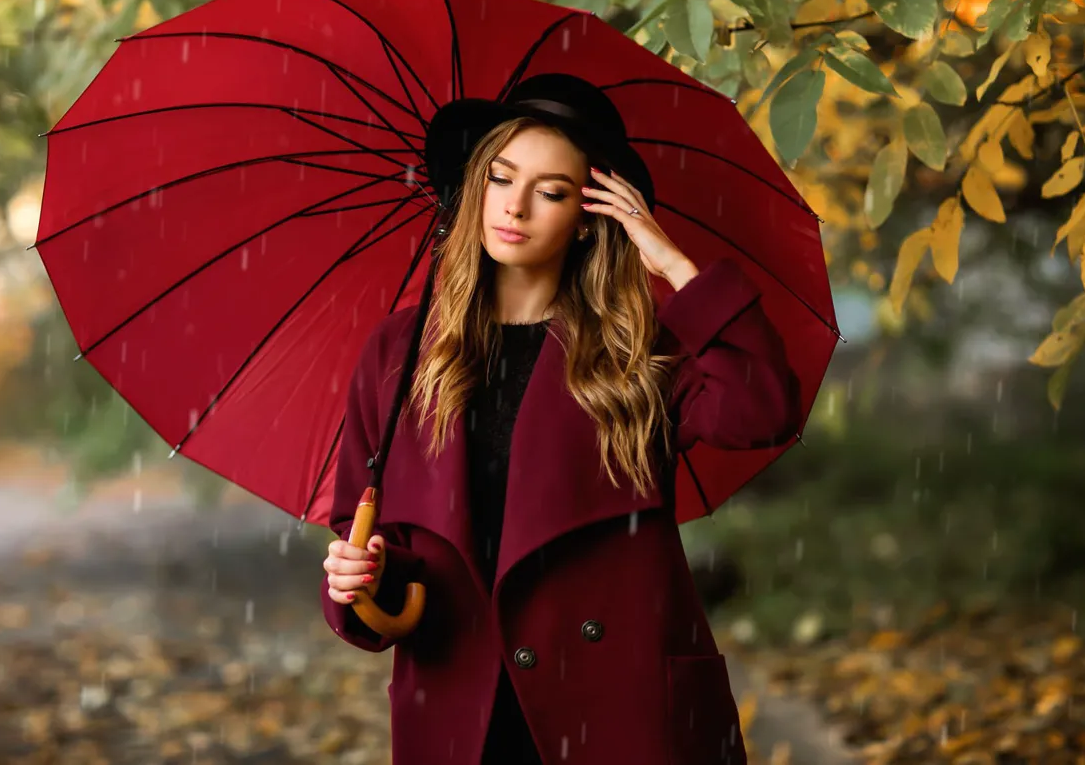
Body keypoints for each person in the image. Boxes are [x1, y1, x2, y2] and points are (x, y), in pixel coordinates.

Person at [320, 74, 802, 765]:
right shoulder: (400, 352)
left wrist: (672, 264)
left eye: (550, 191)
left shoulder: (638, 349)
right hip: (463, 702)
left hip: (616, 704)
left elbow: (762, 411)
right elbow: (378, 535)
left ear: (588, 215)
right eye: (500, 178)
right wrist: (360, 576)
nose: (514, 207)